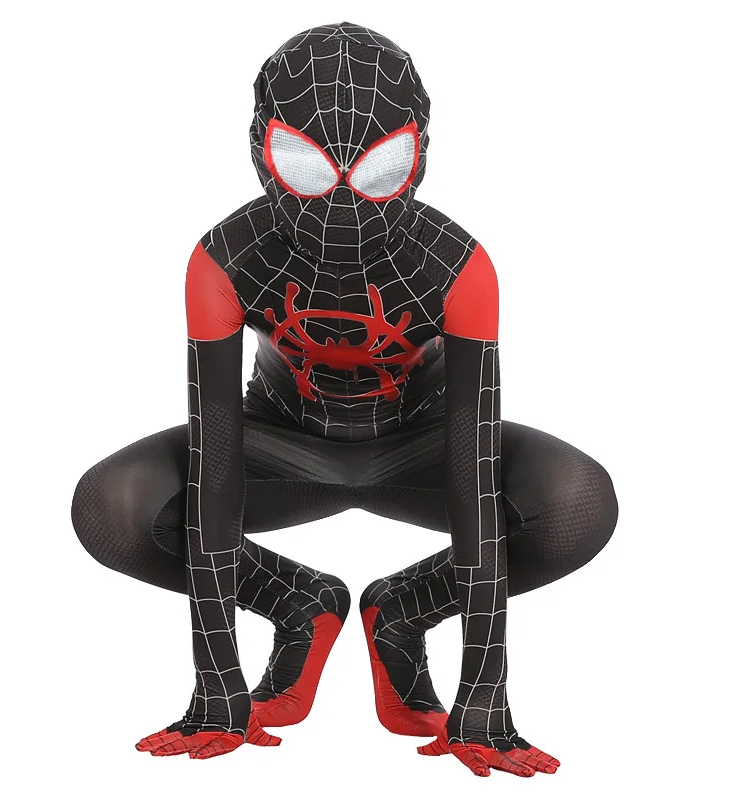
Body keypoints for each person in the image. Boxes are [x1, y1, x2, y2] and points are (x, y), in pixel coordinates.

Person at [71, 22, 618, 777]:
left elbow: (473, 477)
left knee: (578, 502)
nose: (342, 197)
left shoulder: (460, 267)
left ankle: (404, 611)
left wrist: (484, 692)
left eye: (377, 167)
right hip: (278, 443)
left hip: (422, 444)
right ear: (262, 147)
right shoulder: (222, 259)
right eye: (305, 164)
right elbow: (217, 465)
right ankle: (298, 603)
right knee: (111, 506)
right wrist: (218, 683)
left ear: (417, 152)